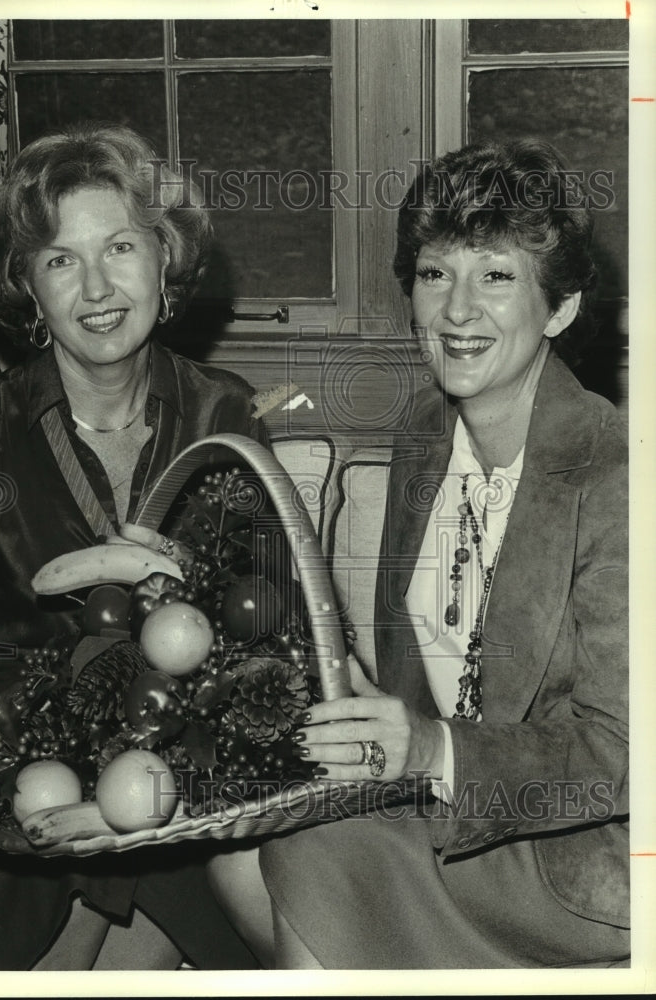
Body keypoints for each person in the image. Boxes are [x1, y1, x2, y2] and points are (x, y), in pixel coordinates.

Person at [210, 137, 630, 969]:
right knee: (227, 852)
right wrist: (368, 716)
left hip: (582, 855)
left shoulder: (618, 475)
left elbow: (621, 752)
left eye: (496, 275)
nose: (458, 311)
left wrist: (436, 749)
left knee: (316, 857)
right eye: (437, 273)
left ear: (562, 308)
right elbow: (416, 687)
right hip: (444, 812)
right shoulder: (422, 440)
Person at [0, 121, 265, 971]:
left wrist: (145, 791)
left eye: (121, 247)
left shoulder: (224, 419)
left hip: (180, 776)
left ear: (164, 261)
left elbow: (268, 641)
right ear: (27, 286)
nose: (97, 286)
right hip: (22, 782)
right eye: (60, 259)